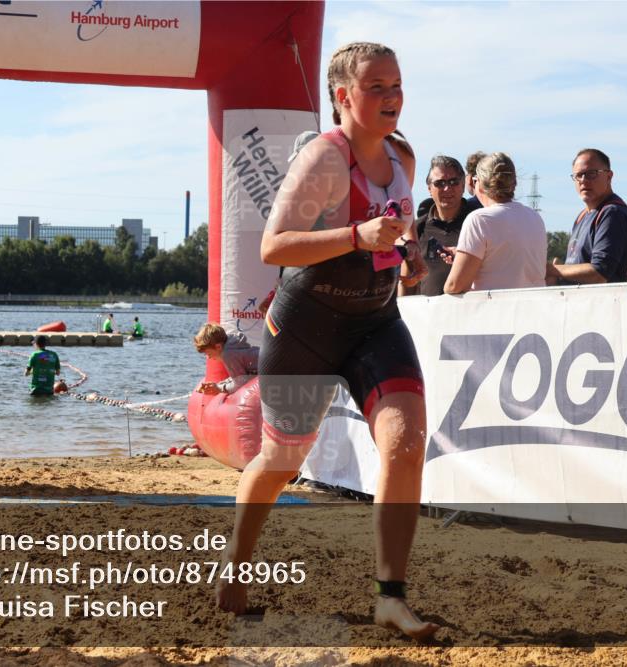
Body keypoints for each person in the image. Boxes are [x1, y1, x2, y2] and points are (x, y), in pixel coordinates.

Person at [215, 42, 435, 641]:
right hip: (307, 325)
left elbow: (390, 240)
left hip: (375, 321)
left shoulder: (402, 158)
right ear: (343, 96)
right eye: (377, 88)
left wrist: (404, 257)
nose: (392, 98)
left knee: (405, 441)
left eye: (396, 85)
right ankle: (238, 556)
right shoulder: (324, 160)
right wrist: (358, 235)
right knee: (281, 461)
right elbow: (274, 247)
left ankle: (390, 595)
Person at [443, 152, 547, 294]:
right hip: (533, 311)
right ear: (514, 183)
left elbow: (454, 286)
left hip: (495, 312)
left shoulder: (479, 219)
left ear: (478, 183)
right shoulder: (534, 218)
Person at [546, 149, 627, 285]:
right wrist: (558, 278)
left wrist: (553, 270)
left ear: (609, 176)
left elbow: (600, 273)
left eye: (591, 174)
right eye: (578, 175)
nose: (583, 180)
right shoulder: (582, 216)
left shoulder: (613, 213)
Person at [412, 155, 481, 296]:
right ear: (429, 189)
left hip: (472, 313)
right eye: (440, 183)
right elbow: (409, 278)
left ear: (463, 185)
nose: (447, 188)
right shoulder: (417, 228)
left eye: (453, 182)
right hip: (428, 315)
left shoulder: (479, 222)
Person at [193, 323, 259, 395]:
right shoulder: (232, 347)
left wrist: (218, 388)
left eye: (208, 353)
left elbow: (240, 384)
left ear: (218, 347)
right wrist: (218, 385)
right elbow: (239, 377)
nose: (208, 357)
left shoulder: (228, 354)